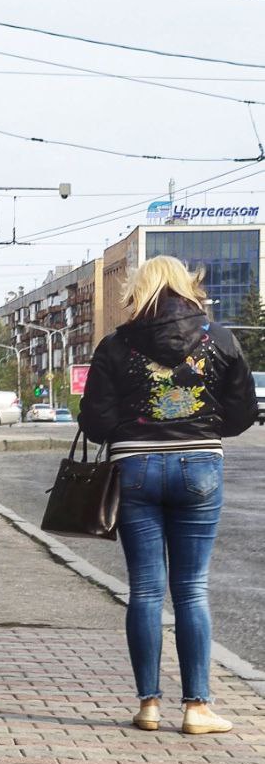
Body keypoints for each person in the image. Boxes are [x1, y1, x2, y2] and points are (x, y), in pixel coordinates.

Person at [79, 255, 256, 736]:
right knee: (192, 587)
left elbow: (93, 420)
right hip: (199, 466)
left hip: (134, 468)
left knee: (146, 590)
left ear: (140, 290)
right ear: (186, 287)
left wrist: (134, 430)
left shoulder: (116, 345)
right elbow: (243, 413)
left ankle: (149, 705)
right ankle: (197, 708)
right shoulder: (218, 339)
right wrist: (203, 424)